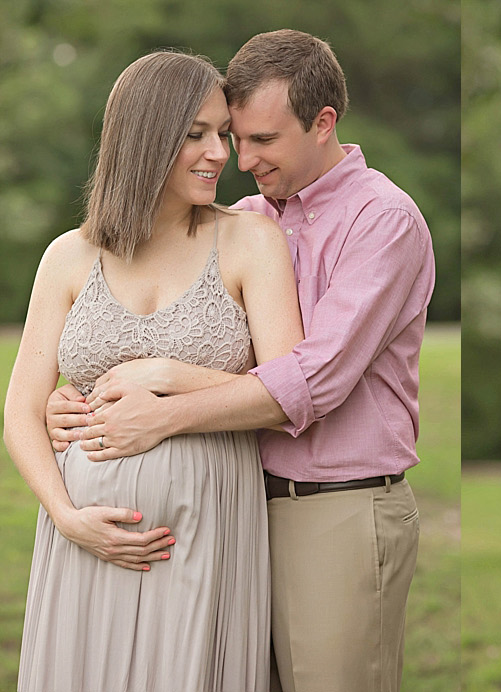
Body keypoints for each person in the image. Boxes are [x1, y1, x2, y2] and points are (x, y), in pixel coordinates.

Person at [44, 29, 435, 692]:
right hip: (241, 515)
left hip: (334, 511)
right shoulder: (249, 219)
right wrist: (78, 399)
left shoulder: (382, 220)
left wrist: (164, 399)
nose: (239, 158)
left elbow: (315, 377)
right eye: (234, 135)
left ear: (323, 123)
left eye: (262, 139)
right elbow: (205, 338)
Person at [3, 50, 303, 691]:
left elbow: (286, 392)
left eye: (222, 132)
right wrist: (66, 516)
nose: (221, 152)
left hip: (205, 532)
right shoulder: (68, 255)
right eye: (196, 134)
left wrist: (170, 374)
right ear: (145, 139)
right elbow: (21, 410)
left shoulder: (250, 242)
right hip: (84, 542)